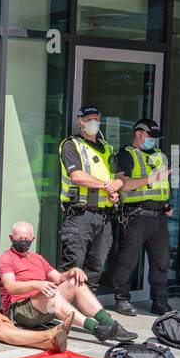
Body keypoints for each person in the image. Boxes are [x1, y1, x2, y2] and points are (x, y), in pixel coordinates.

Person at [0, 222, 136, 344]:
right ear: (11, 238)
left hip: (43, 307)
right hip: (19, 311)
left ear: (32, 239)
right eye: (19, 238)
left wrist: (71, 272)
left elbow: (58, 278)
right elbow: (10, 287)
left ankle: (110, 324)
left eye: (26, 238)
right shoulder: (6, 259)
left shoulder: (37, 258)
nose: (23, 241)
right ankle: (96, 328)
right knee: (52, 294)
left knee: (75, 283)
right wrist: (36, 284)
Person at [111, 118, 174, 317]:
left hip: (159, 216)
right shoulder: (126, 154)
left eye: (156, 137)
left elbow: (164, 186)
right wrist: (151, 178)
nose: (153, 140)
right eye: (150, 136)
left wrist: (167, 205)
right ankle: (122, 299)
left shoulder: (160, 156)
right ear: (139, 134)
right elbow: (124, 185)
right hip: (136, 215)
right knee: (127, 260)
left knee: (161, 262)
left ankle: (159, 301)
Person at [59, 105, 122, 278]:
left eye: (96, 119)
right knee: (73, 267)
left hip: (104, 216)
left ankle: (89, 296)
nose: (93, 122)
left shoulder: (108, 148)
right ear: (80, 122)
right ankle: (66, 297)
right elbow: (77, 176)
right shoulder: (71, 145)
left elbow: (118, 176)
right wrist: (106, 185)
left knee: (95, 268)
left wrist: (115, 189)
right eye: (88, 120)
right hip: (80, 215)